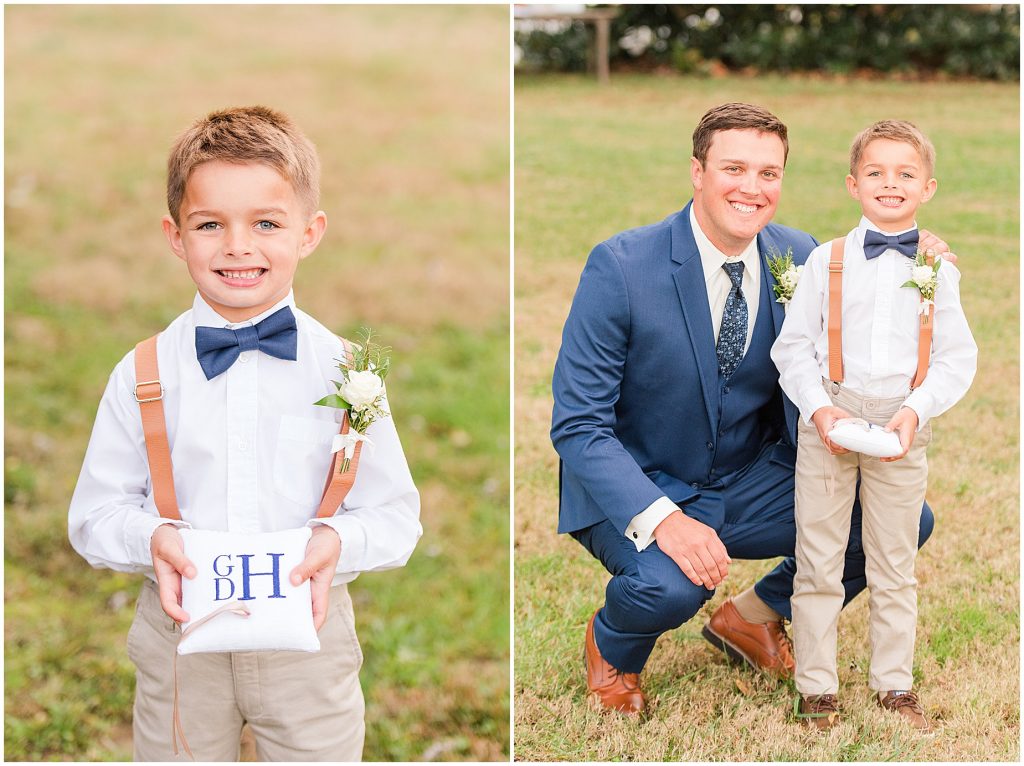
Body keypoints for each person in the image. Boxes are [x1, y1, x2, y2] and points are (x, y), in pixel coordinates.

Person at [550, 102, 953, 715]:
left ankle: (752, 618)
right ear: (697, 171)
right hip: (642, 483)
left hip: (748, 474)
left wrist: (915, 258)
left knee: (899, 522)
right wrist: (666, 521)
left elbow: (866, 316)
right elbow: (578, 424)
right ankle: (613, 646)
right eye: (733, 168)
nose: (752, 188)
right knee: (670, 584)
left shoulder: (800, 254)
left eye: (769, 173)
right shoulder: (622, 266)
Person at [68, 106, 421, 760]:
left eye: (265, 223)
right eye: (210, 225)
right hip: (181, 643)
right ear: (176, 236)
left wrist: (335, 540)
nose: (238, 246)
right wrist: (153, 537)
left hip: (308, 647)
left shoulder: (350, 372)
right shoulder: (144, 370)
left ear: (309, 232)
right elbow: (93, 515)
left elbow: (395, 515)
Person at [772, 120, 977, 732]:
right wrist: (820, 408)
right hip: (829, 418)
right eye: (876, 172)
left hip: (901, 423)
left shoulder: (940, 270)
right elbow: (795, 347)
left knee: (893, 560)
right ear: (852, 184)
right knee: (819, 557)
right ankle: (816, 689)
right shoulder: (824, 260)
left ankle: (894, 684)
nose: (891, 184)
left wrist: (917, 410)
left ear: (928, 188)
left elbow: (954, 356)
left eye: (906, 174)